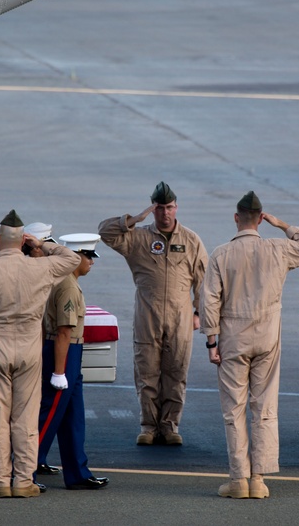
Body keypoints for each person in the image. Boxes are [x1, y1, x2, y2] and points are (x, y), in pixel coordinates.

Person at [200, 191, 299, 499]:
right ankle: (259, 478)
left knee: (234, 410)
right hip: (267, 338)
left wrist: (211, 341)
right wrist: (284, 226)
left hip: (231, 339)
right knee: (264, 407)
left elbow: (210, 299)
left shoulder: (221, 253)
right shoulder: (277, 249)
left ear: (236, 218)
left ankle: (238, 479)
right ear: (261, 219)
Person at [0, 211, 80, 498]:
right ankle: (24, 480)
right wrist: (42, 245)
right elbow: (73, 259)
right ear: (23, 240)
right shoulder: (40, 268)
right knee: (25, 418)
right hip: (29, 350)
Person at [98, 182, 208, 446]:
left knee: (176, 373)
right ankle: (148, 425)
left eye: (169, 207)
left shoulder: (191, 240)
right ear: (153, 208)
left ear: (176, 208)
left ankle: (170, 426)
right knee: (147, 374)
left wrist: (198, 313)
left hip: (180, 319)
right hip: (147, 317)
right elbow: (105, 233)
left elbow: (203, 280)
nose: (165, 213)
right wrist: (134, 220)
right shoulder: (138, 238)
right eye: (159, 208)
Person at [35, 233, 110, 491]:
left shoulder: (67, 281)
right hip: (63, 354)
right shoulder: (67, 284)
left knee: (72, 418)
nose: (91, 261)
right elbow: (64, 331)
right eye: (88, 256)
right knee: (49, 416)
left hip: (69, 354)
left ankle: (77, 472)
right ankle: (22, 470)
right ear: (76, 256)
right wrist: (59, 371)